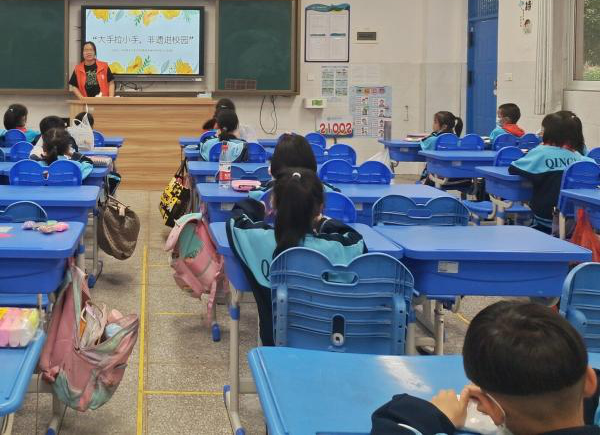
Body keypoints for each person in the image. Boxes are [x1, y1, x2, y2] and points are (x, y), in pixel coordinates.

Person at [370, 301, 600, 435]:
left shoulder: (487, 410)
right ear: (590, 381)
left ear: (489, 408)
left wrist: (436, 415)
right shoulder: (589, 384)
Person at [227, 169, 365, 346]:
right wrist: (324, 222)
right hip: (332, 348)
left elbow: (236, 220)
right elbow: (355, 239)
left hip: (276, 349)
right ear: (320, 207)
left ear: (274, 205)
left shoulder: (259, 240)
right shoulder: (336, 248)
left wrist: (258, 206)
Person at [509, 111, 594, 233]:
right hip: (578, 219)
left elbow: (514, 168)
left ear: (550, 132)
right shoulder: (583, 159)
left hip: (547, 216)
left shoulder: (541, 152)